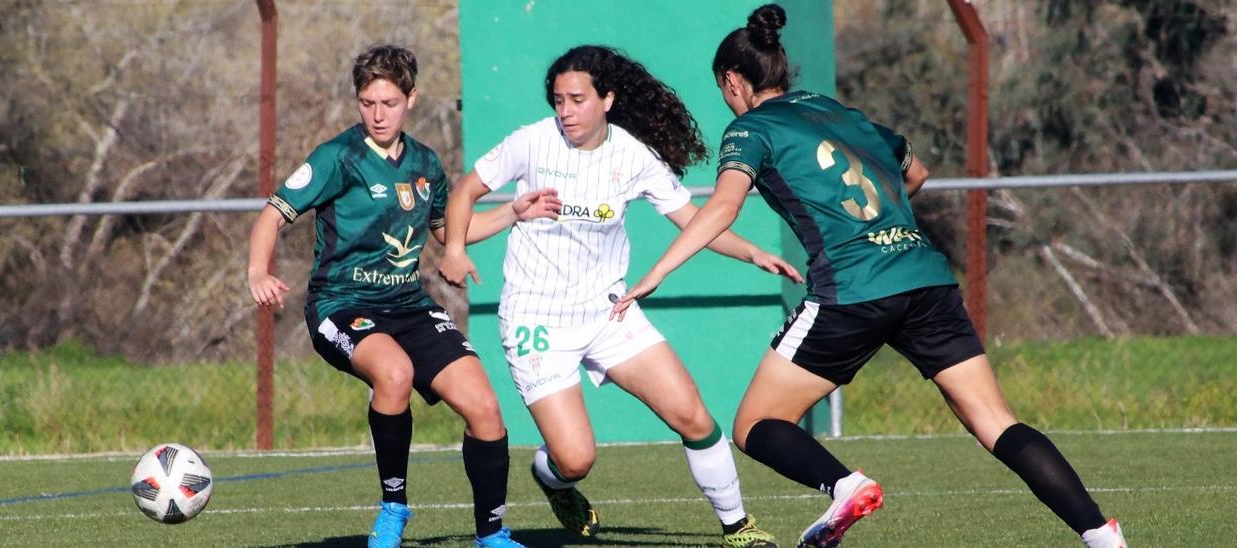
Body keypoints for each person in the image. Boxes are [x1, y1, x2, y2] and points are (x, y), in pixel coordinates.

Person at [614, 5, 1129, 548]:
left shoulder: (750, 129)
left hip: (852, 290)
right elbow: (918, 173)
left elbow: (721, 209)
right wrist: (882, 224)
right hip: (924, 279)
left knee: (756, 425)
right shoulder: (847, 115)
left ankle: (846, 485)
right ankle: (1101, 535)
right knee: (996, 421)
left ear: (733, 82)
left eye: (724, 90)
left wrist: (657, 273)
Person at [439, 45, 803, 548]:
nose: (565, 111)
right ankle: (552, 479)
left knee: (692, 414)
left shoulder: (633, 156)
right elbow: (464, 192)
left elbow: (695, 223)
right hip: (537, 320)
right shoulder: (531, 142)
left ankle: (738, 527)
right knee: (575, 459)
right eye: (558, 100)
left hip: (609, 311)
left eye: (576, 99)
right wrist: (455, 248)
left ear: (607, 99)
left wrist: (753, 254)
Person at [246, 44, 561, 548]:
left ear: (410, 99)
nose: (377, 114)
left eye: (388, 103)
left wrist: (513, 213)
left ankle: (492, 534)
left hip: (409, 306)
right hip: (340, 306)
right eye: (368, 103)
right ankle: (394, 507)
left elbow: (446, 233)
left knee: (484, 406)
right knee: (394, 373)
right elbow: (272, 213)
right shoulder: (337, 158)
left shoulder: (424, 163)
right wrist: (256, 271)